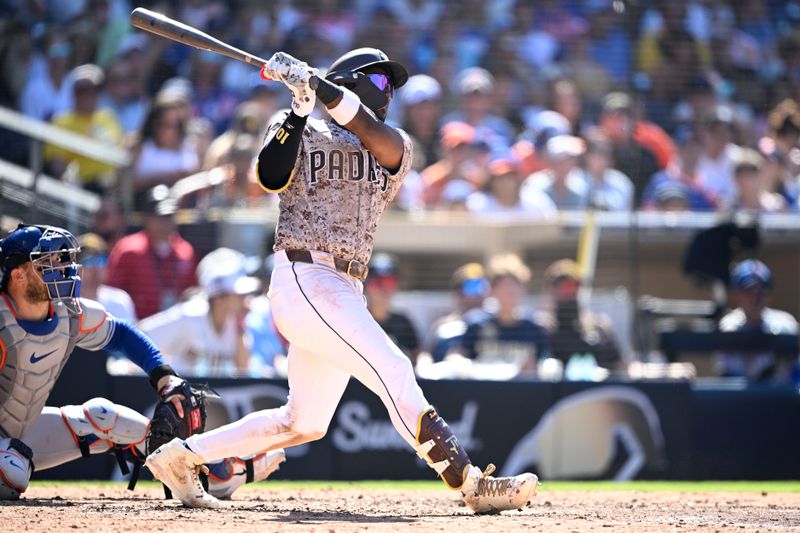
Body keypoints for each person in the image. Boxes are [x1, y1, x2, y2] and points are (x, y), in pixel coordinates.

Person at [145, 47, 538, 513]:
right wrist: (299, 106)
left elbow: (375, 134)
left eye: (391, 87)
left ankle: (181, 457)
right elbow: (268, 175)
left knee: (304, 421)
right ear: (350, 81)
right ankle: (470, 482)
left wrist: (321, 86)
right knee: (393, 368)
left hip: (345, 286)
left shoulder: (391, 141)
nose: (388, 95)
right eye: (378, 83)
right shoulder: (300, 123)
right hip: (304, 274)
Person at [0, 224, 283, 501]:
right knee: (11, 472)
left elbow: (121, 334)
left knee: (104, 417)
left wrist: (164, 376)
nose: (61, 268)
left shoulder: (69, 313)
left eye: (60, 259)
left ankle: (225, 472)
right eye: (46, 263)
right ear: (18, 275)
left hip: (24, 432)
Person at [139, 248, 260, 377]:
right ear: (219, 298)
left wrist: (240, 329)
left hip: (215, 395)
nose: (245, 300)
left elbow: (243, 372)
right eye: (239, 295)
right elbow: (139, 335)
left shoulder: (236, 324)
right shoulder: (189, 316)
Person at [105, 185, 197, 320]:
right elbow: (112, 293)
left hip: (174, 331)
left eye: (169, 216)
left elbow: (191, 294)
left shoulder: (185, 252)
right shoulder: (128, 250)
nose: (165, 223)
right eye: (160, 217)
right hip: (136, 329)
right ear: (146, 218)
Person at [450, 253, 550, 376]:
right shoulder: (477, 323)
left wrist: (536, 368)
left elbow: (547, 363)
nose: (510, 291)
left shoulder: (535, 327)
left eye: (515, 285)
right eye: (504, 285)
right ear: (492, 290)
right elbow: (456, 357)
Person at [43, 64, 123, 193]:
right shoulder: (61, 122)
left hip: (112, 187)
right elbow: (56, 164)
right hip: (82, 188)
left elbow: (121, 151)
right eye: (83, 90)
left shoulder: (108, 117)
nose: (89, 95)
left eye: (95, 90)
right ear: (73, 93)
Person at [716, 259, 799, 384]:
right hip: (741, 400)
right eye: (749, 291)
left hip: (780, 400)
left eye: (762, 290)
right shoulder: (729, 326)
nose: (756, 298)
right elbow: (727, 376)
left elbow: (796, 376)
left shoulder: (786, 325)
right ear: (737, 294)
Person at [535, 259, 622, 371]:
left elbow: (620, 367)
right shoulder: (539, 330)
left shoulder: (600, 327)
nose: (568, 293)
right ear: (550, 290)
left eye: (574, 286)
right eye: (561, 287)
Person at [425, 262, 490, 363]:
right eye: (473, 286)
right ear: (458, 294)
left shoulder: (495, 323)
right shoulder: (442, 326)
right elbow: (427, 356)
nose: (480, 292)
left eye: (483, 285)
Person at [364, 253, 420, 364]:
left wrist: (425, 363)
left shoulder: (403, 323)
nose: (384, 289)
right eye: (378, 282)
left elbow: (418, 354)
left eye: (389, 282)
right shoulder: (356, 319)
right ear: (366, 285)